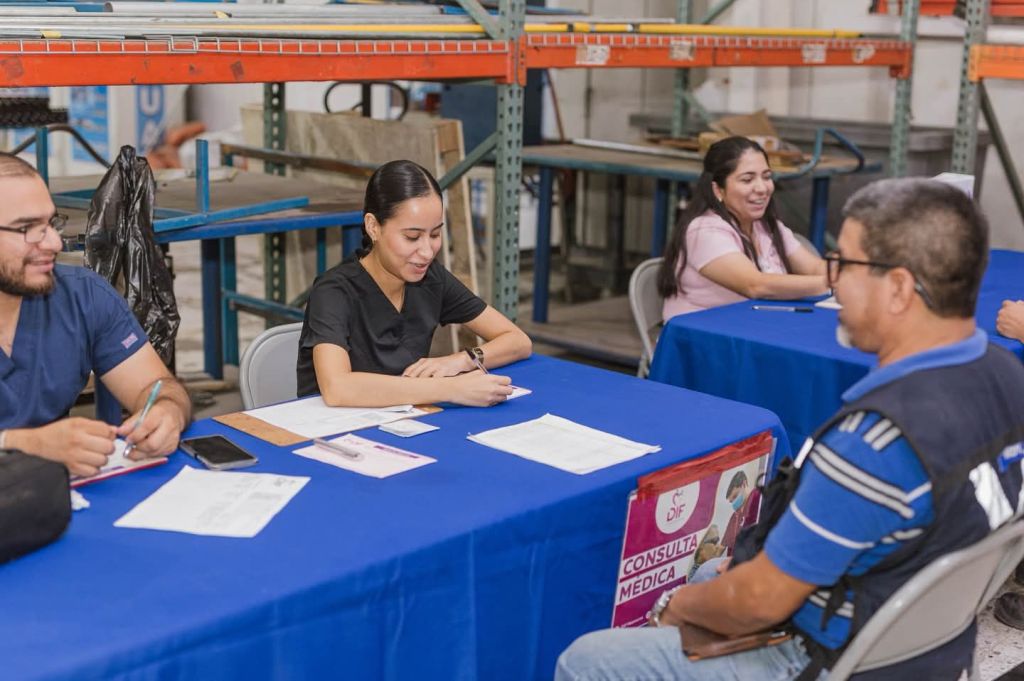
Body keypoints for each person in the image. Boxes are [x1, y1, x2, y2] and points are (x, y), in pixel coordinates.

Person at [557, 178, 1024, 681]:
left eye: (845, 264)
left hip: (827, 658)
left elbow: (757, 603)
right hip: (934, 648)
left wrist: (679, 605)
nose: (834, 281)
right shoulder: (1006, 376)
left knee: (589, 659)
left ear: (899, 289)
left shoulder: (876, 443)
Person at [0, 153, 191, 478]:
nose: (55, 242)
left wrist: (167, 411)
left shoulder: (81, 298)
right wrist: (24, 444)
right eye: (28, 228)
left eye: (51, 223)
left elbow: (157, 385)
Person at [297, 159, 532, 407]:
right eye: (412, 237)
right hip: (328, 431)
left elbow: (518, 341)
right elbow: (338, 389)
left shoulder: (431, 278)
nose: (427, 252)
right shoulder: (334, 291)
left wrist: (463, 360)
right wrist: (450, 388)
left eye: (436, 234)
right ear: (373, 227)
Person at [657, 136, 828, 321]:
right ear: (718, 190)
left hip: (751, 328)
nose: (762, 188)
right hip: (703, 339)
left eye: (767, 177)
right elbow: (756, 285)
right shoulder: (704, 231)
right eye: (747, 180)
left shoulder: (766, 226)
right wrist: (834, 283)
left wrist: (852, 274)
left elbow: (815, 267)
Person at [720, 470, 761, 553]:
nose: (735, 502)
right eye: (731, 501)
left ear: (744, 484)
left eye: (735, 496)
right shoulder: (735, 517)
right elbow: (724, 546)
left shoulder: (758, 499)